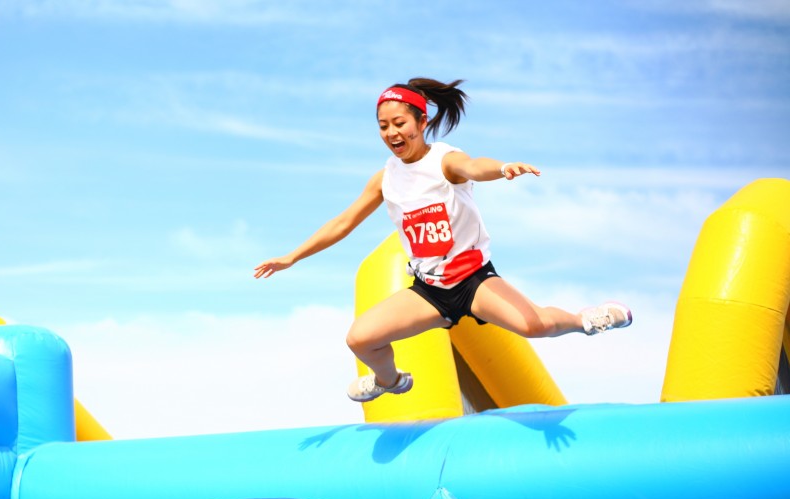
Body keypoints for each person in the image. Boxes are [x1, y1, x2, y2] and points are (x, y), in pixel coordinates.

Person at [253, 78, 632, 403]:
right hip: (429, 290)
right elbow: (343, 222)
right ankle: (391, 381)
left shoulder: (444, 161)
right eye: (383, 126)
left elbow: (473, 166)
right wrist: (292, 257)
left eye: (399, 123)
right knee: (360, 339)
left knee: (535, 326)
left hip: (473, 280)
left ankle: (586, 319)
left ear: (422, 120)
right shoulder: (385, 178)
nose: (391, 133)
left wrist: (501, 169)